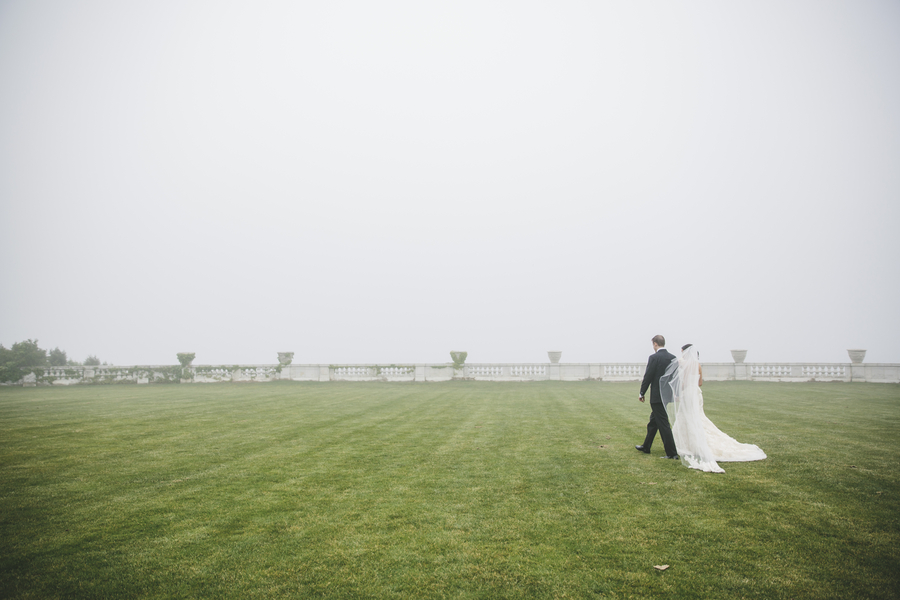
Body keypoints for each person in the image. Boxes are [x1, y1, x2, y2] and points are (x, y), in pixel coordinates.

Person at [661, 344, 767, 473]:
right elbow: (700, 383)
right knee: (697, 417)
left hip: (688, 394)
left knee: (688, 417)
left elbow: (685, 383)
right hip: (696, 393)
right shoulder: (698, 365)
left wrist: (677, 391)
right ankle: (691, 443)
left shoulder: (687, 365)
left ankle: (690, 444)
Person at [635, 335, 679, 459]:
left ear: (655, 344)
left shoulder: (654, 357)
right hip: (667, 395)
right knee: (653, 422)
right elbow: (676, 378)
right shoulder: (673, 358)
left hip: (657, 396)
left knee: (663, 424)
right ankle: (646, 446)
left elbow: (648, 376)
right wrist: (676, 393)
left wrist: (642, 392)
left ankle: (672, 453)